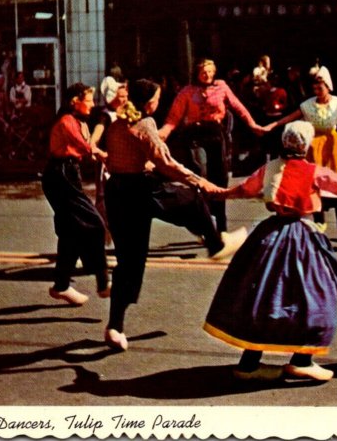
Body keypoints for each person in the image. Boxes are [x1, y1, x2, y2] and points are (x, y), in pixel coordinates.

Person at [204, 121, 337, 381]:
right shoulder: (312, 171)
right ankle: (301, 360)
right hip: (302, 236)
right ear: (307, 144)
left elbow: (243, 189)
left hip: (269, 237)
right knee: (316, 295)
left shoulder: (270, 168)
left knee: (264, 297)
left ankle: (250, 362)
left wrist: (218, 193)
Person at [104, 78, 247, 351]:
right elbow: (166, 162)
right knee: (191, 199)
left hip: (117, 192)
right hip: (139, 191)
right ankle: (215, 243)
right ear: (149, 103)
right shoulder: (145, 123)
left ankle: (115, 326)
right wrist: (199, 181)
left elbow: (120, 158)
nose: (159, 103)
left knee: (129, 262)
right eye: (157, 99)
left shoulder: (116, 123)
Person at [261, 65, 337, 242]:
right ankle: (319, 222)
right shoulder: (308, 105)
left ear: (328, 86)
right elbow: (290, 117)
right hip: (313, 145)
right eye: (315, 88)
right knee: (315, 183)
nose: (317, 90)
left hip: (332, 146)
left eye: (321, 87)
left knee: (336, 183)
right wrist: (272, 126)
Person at [159, 58, 265, 231]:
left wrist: (253, 125)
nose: (207, 75)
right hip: (195, 136)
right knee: (200, 173)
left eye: (210, 71)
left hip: (216, 134)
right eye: (203, 72)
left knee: (220, 178)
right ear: (197, 73)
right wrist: (162, 134)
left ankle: (221, 225)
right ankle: (205, 219)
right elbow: (173, 118)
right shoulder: (187, 91)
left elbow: (238, 107)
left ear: (214, 72)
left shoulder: (221, 86)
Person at [41, 83, 110, 307]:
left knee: (71, 232)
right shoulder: (66, 122)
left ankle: (61, 285)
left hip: (67, 174)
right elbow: (85, 147)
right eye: (88, 100)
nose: (91, 104)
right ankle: (102, 281)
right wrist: (106, 156)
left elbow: (87, 148)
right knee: (96, 224)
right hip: (60, 175)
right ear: (75, 101)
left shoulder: (79, 122)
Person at [89, 79, 129, 242]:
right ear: (113, 97)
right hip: (109, 163)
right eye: (122, 96)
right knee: (104, 198)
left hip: (126, 162)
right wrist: (96, 150)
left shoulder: (129, 112)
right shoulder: (105, 115)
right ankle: (101, 232)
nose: (125, 99)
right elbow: (95, 139)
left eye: (126, 95)